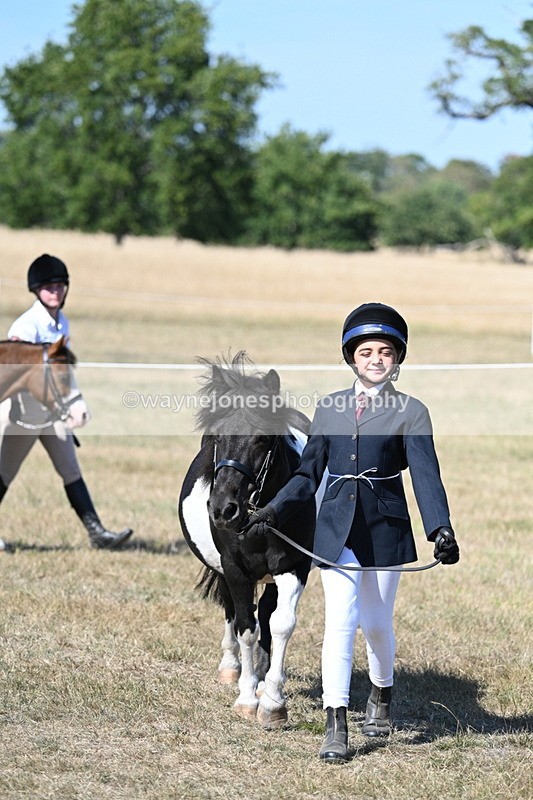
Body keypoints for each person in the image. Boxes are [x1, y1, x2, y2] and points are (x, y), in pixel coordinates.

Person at [244, 302, 459, 763]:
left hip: (385, 530)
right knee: (339, 621)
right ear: (351, 357)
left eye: (385, 351)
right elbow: (307, 474)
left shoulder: (412, 412)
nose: (375, 359)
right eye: (366, 352)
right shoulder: (329, 408)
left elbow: (425, 475)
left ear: (397, 358)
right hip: (336, 529)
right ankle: (335, 722)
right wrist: (273, 510)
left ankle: (381, 692)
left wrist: (440, 529)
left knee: (376, 624)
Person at [0, 253, 133, 550]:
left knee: (70, 470)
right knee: (4, 473)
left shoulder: (62, 324)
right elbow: (15, 373)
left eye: (61, 286)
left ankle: (98, 533)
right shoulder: (25, 327)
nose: (56, 291)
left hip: (51, 414)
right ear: (36, 290)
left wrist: (67, 406)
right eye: (49, 286)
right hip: (24, 414)